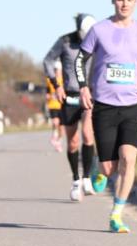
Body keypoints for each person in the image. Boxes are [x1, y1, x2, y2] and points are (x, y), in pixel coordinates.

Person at [76, 0, 137, 233]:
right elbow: (81, 59)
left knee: (129, 158)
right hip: (104, 105)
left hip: (133, 105)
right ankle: (98, 167)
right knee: (109, 167)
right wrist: (83, 87)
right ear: (113, 1)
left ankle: (117, 212)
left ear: (136, 2)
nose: (124, 4)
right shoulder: (99, 30)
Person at [43, 14, 104, 201]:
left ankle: (86, 177)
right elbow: (47, 61)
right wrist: (56, 85)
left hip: (89, 95)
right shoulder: (65, 41)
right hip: (69, 95)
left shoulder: (98, 41)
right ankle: (76, 180)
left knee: (87, 133)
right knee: (73, 141)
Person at [45, 67, 63, 153]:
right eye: (57, 71)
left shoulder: (64, 81)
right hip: (53, 105)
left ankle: (58, 142)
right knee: (55, 122)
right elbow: (47, 93)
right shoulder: (49, 81)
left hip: (62, 106)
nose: (58, 73)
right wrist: (48, 96)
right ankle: (54, 137)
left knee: (61, 128)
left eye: (59, 71)